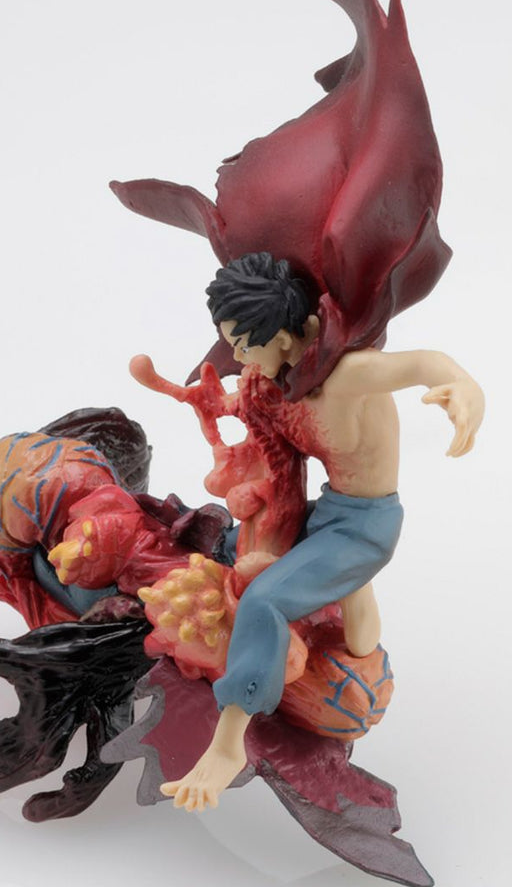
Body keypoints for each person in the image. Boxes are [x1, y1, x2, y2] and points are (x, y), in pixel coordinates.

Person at [159, 252, 485, 812]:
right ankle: (332, 623)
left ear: (286, 336)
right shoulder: (284, 378)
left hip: (365, 526)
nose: (239, 359)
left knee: (264, 600)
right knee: (237, 547)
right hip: (331, 510)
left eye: (244, 345)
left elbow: (426, 363)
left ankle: (228, 742)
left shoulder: (348, 374)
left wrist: (462, 387)